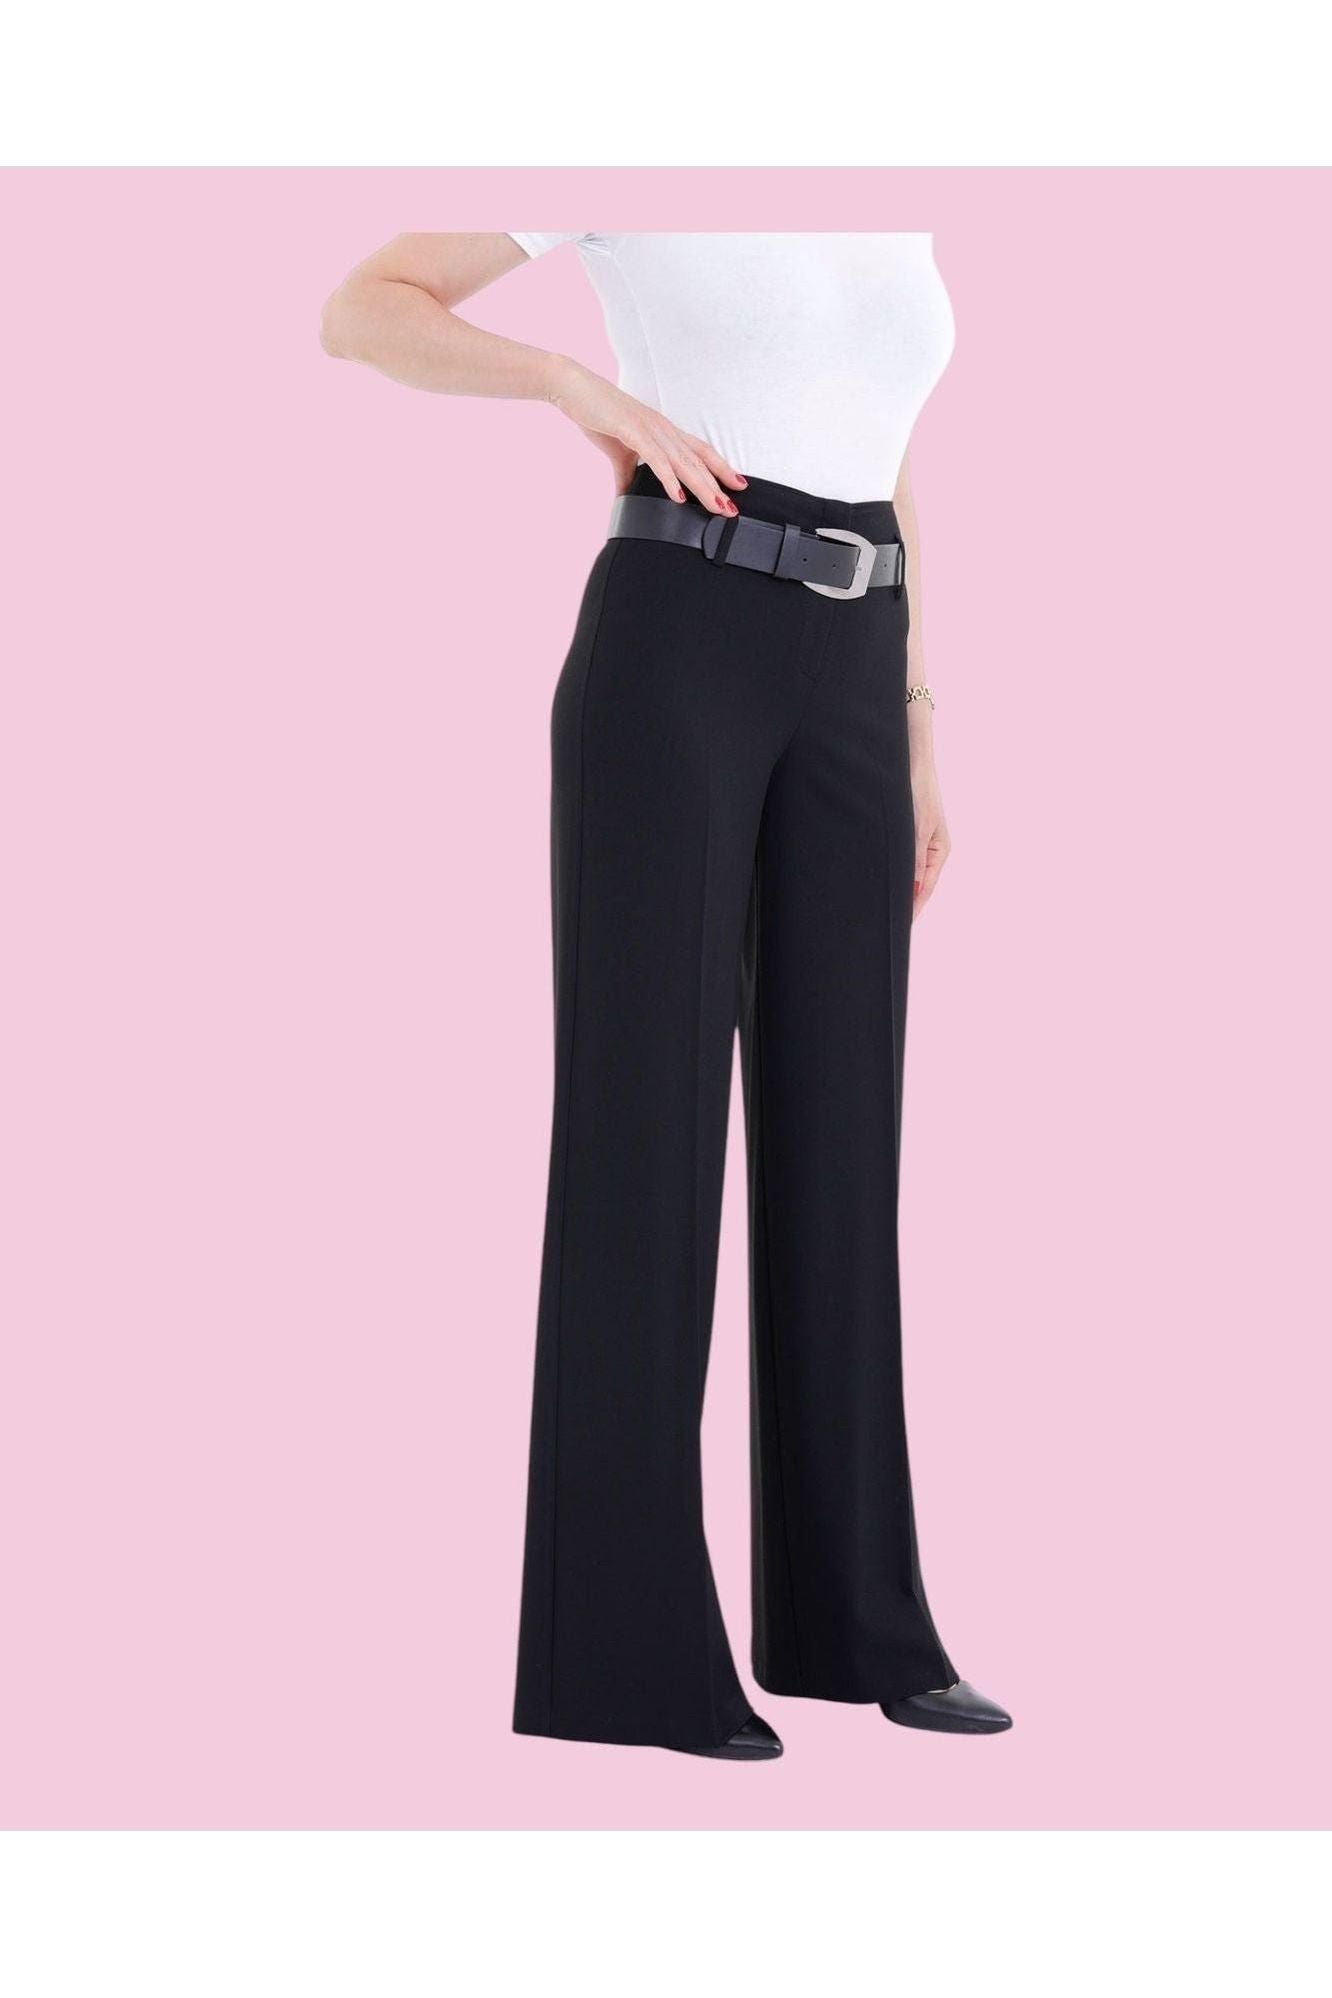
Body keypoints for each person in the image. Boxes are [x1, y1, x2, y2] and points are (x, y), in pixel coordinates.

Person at [320, 230, 1011, 1759]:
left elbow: (882, 443)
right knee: (644, 1143)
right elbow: (359, 310)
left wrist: (915, 718)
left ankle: (858, 1626)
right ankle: (625, 1656)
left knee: (843, 1155)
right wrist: (574, 385)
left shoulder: (884, 183)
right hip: (679, 638)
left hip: (858, 660)